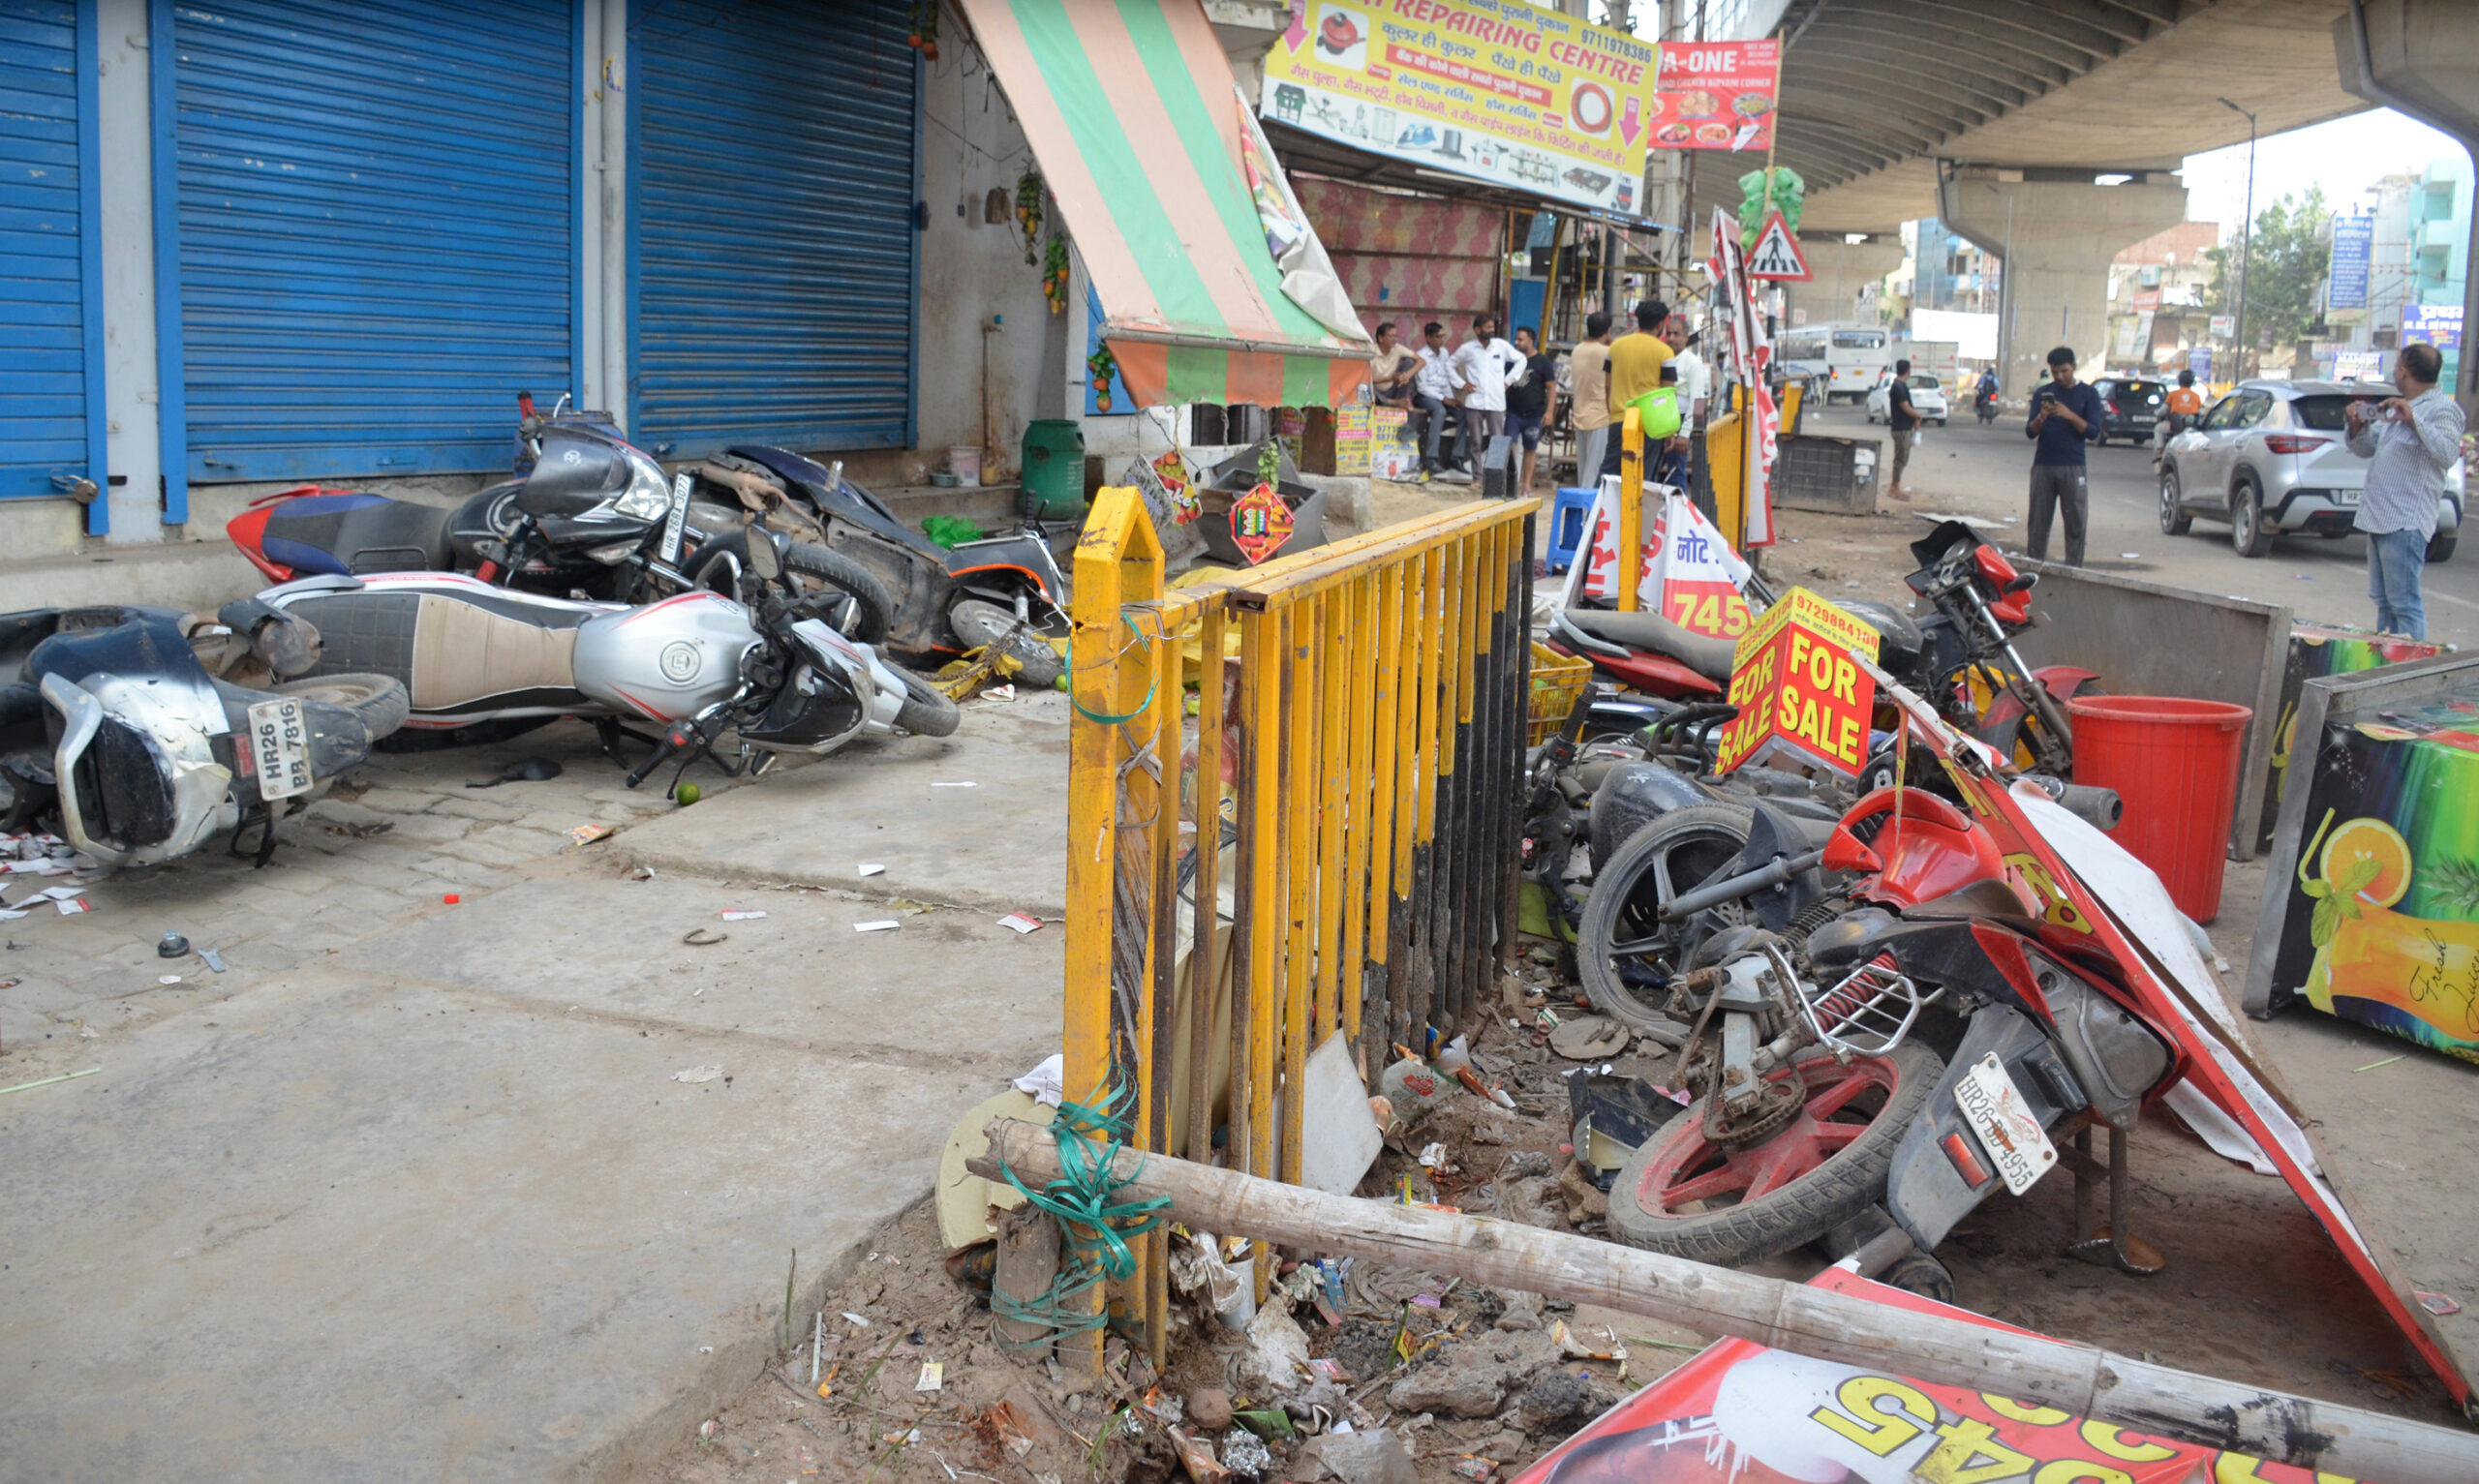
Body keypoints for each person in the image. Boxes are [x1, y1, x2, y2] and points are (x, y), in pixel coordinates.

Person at [2346, 343, 2463, 640]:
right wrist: (2357, 426)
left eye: (2397, 365)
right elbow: (2366, 449)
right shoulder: (2395, 407)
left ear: (2404, 370)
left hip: (2405, 522)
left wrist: (2413, 419)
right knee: (2384, 602)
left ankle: (2408, 673)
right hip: (2379, 516)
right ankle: (2385, 665)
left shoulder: (2442, 409)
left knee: (2404, 603)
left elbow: (2448, 453)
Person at [2024, 345, 2101, 565]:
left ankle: (2075, 570)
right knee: (2038, 523)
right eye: (2055, 372)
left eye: (2064, 371)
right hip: (2043, 466)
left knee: (2075, 522)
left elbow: (2093, 432)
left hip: (2073, 465)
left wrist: (2070, 415)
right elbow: (2030, 432)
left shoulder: (2088, 395)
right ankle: (2034, 568)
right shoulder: (2042, 394)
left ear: (2074, 367)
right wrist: (2042, 418)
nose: (2059, 376)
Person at [1599, 298, 1674, 482]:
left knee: (1609, 474)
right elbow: (1667, 394)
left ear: (1638, 321)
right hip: (1651, 423)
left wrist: (1613, 413)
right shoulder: (1665, 352)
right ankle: (1636, 511)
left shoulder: (1615, 347)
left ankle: (1594, 509)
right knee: (1643, 476)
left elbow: (1607, 385)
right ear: (1660, 324)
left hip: (1620, 418)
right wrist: (1669, 432)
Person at [1450, 314, 1518, 477]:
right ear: (1477, 329)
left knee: (1497, 441)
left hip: (1496, 402)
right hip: (1475, 402)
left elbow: (1521, 360)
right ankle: (1478, 477)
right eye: (1487, 328)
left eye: (1492, 328)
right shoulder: (1467, 349)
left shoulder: (1501, 346)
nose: (1491, 331)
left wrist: (1509, 380)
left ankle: (1495, 479)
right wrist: (1461, 384)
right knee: (1475, 442)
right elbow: (1449, 364)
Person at [1504, 326, 1560, 494]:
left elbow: (1551, 388)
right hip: (1513, 412)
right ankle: (1510, 484)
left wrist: (1549, 412)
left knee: (1531, 449)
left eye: (1521, 339)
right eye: (1516, 339)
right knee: (1509, 446)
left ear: (1530, 341)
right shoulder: (1511, 361)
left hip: (1534, 415)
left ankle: (1526, 485)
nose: (1517, 342)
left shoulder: (1543, 362)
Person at [1567, 311, 1614, 494]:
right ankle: (1587, 515)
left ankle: (1583, 512)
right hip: (1600, 416)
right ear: (1607, 330)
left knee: (1584, 468)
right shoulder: (1606, 352)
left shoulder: (1577, 349)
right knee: (1595, 471)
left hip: (1580, 414)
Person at [1659, 315, 1706, 488]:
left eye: (1676, 334)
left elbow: (1697, 399)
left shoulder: (1692, 363)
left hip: (1679, 423)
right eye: (1669, 334)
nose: (1671, 338)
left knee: (1677, 476)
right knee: (1655, 475)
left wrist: (1685, 434)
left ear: (1686, 337)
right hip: (1660, 423)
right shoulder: (1663, 358)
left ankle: (1679, 514)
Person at [1411, 320, 1459, 480]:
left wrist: (1451, 398)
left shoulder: (1444, 353)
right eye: (1438, 337)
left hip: (1443, 395)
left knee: (1465, 413)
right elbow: (1422, 387)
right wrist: (1444, 399)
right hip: (1425, 396)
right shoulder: (1421, 355)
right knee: (1440, 411)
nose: (1442, 340)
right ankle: (1431, 459)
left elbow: (1445, 380)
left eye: (1443, 336)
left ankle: (1456, 457)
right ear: (1428, 338)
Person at [1884, 357, 1919, 502]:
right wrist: (1918, 416)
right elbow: (1905, 407)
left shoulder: (1899, 386)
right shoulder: (1899, 387)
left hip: (1904, 427)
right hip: (1901, 428)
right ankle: (1894, 488)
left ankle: (1895, 486)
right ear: (1908, 371)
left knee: (1902, 458)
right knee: (1900, 458)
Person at [1367, 321, 1418, 409]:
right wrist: (1390, 378)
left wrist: (1407, 375)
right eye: (1390, 336)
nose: (1394, 339)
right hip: (1376, 391)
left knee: (1409, 362)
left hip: (1391, 388)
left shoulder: (1397, 348)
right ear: (1380, 338)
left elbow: (1421, 361)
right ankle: (1394, 402)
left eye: (1396, 336)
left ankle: (1403, 400)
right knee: (1365, 386)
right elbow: (1368, 379)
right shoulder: (1371, 351)